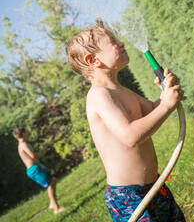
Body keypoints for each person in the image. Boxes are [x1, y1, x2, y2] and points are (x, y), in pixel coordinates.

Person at [66, 19, 186, 221]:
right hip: (128, 197)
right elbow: (130, 136)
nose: (121, 43)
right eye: (113, 41)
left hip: (154, 186)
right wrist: (166, 104)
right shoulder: (99, 95)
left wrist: (166, 95)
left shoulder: (122, 90)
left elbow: (152, 112)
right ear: (93, 60)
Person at [12, 127, 64, 214]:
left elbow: (33, 158)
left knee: (53, 181)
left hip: (35, 167)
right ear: (23, 133)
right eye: (27, 131)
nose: (29, 132)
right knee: (50, 184)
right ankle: (56, 208)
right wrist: (43, 150)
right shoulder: (23, 145)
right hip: (34, 169)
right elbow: (33, 156)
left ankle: (52, 203)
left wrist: (41, 164)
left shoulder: (22, 144)